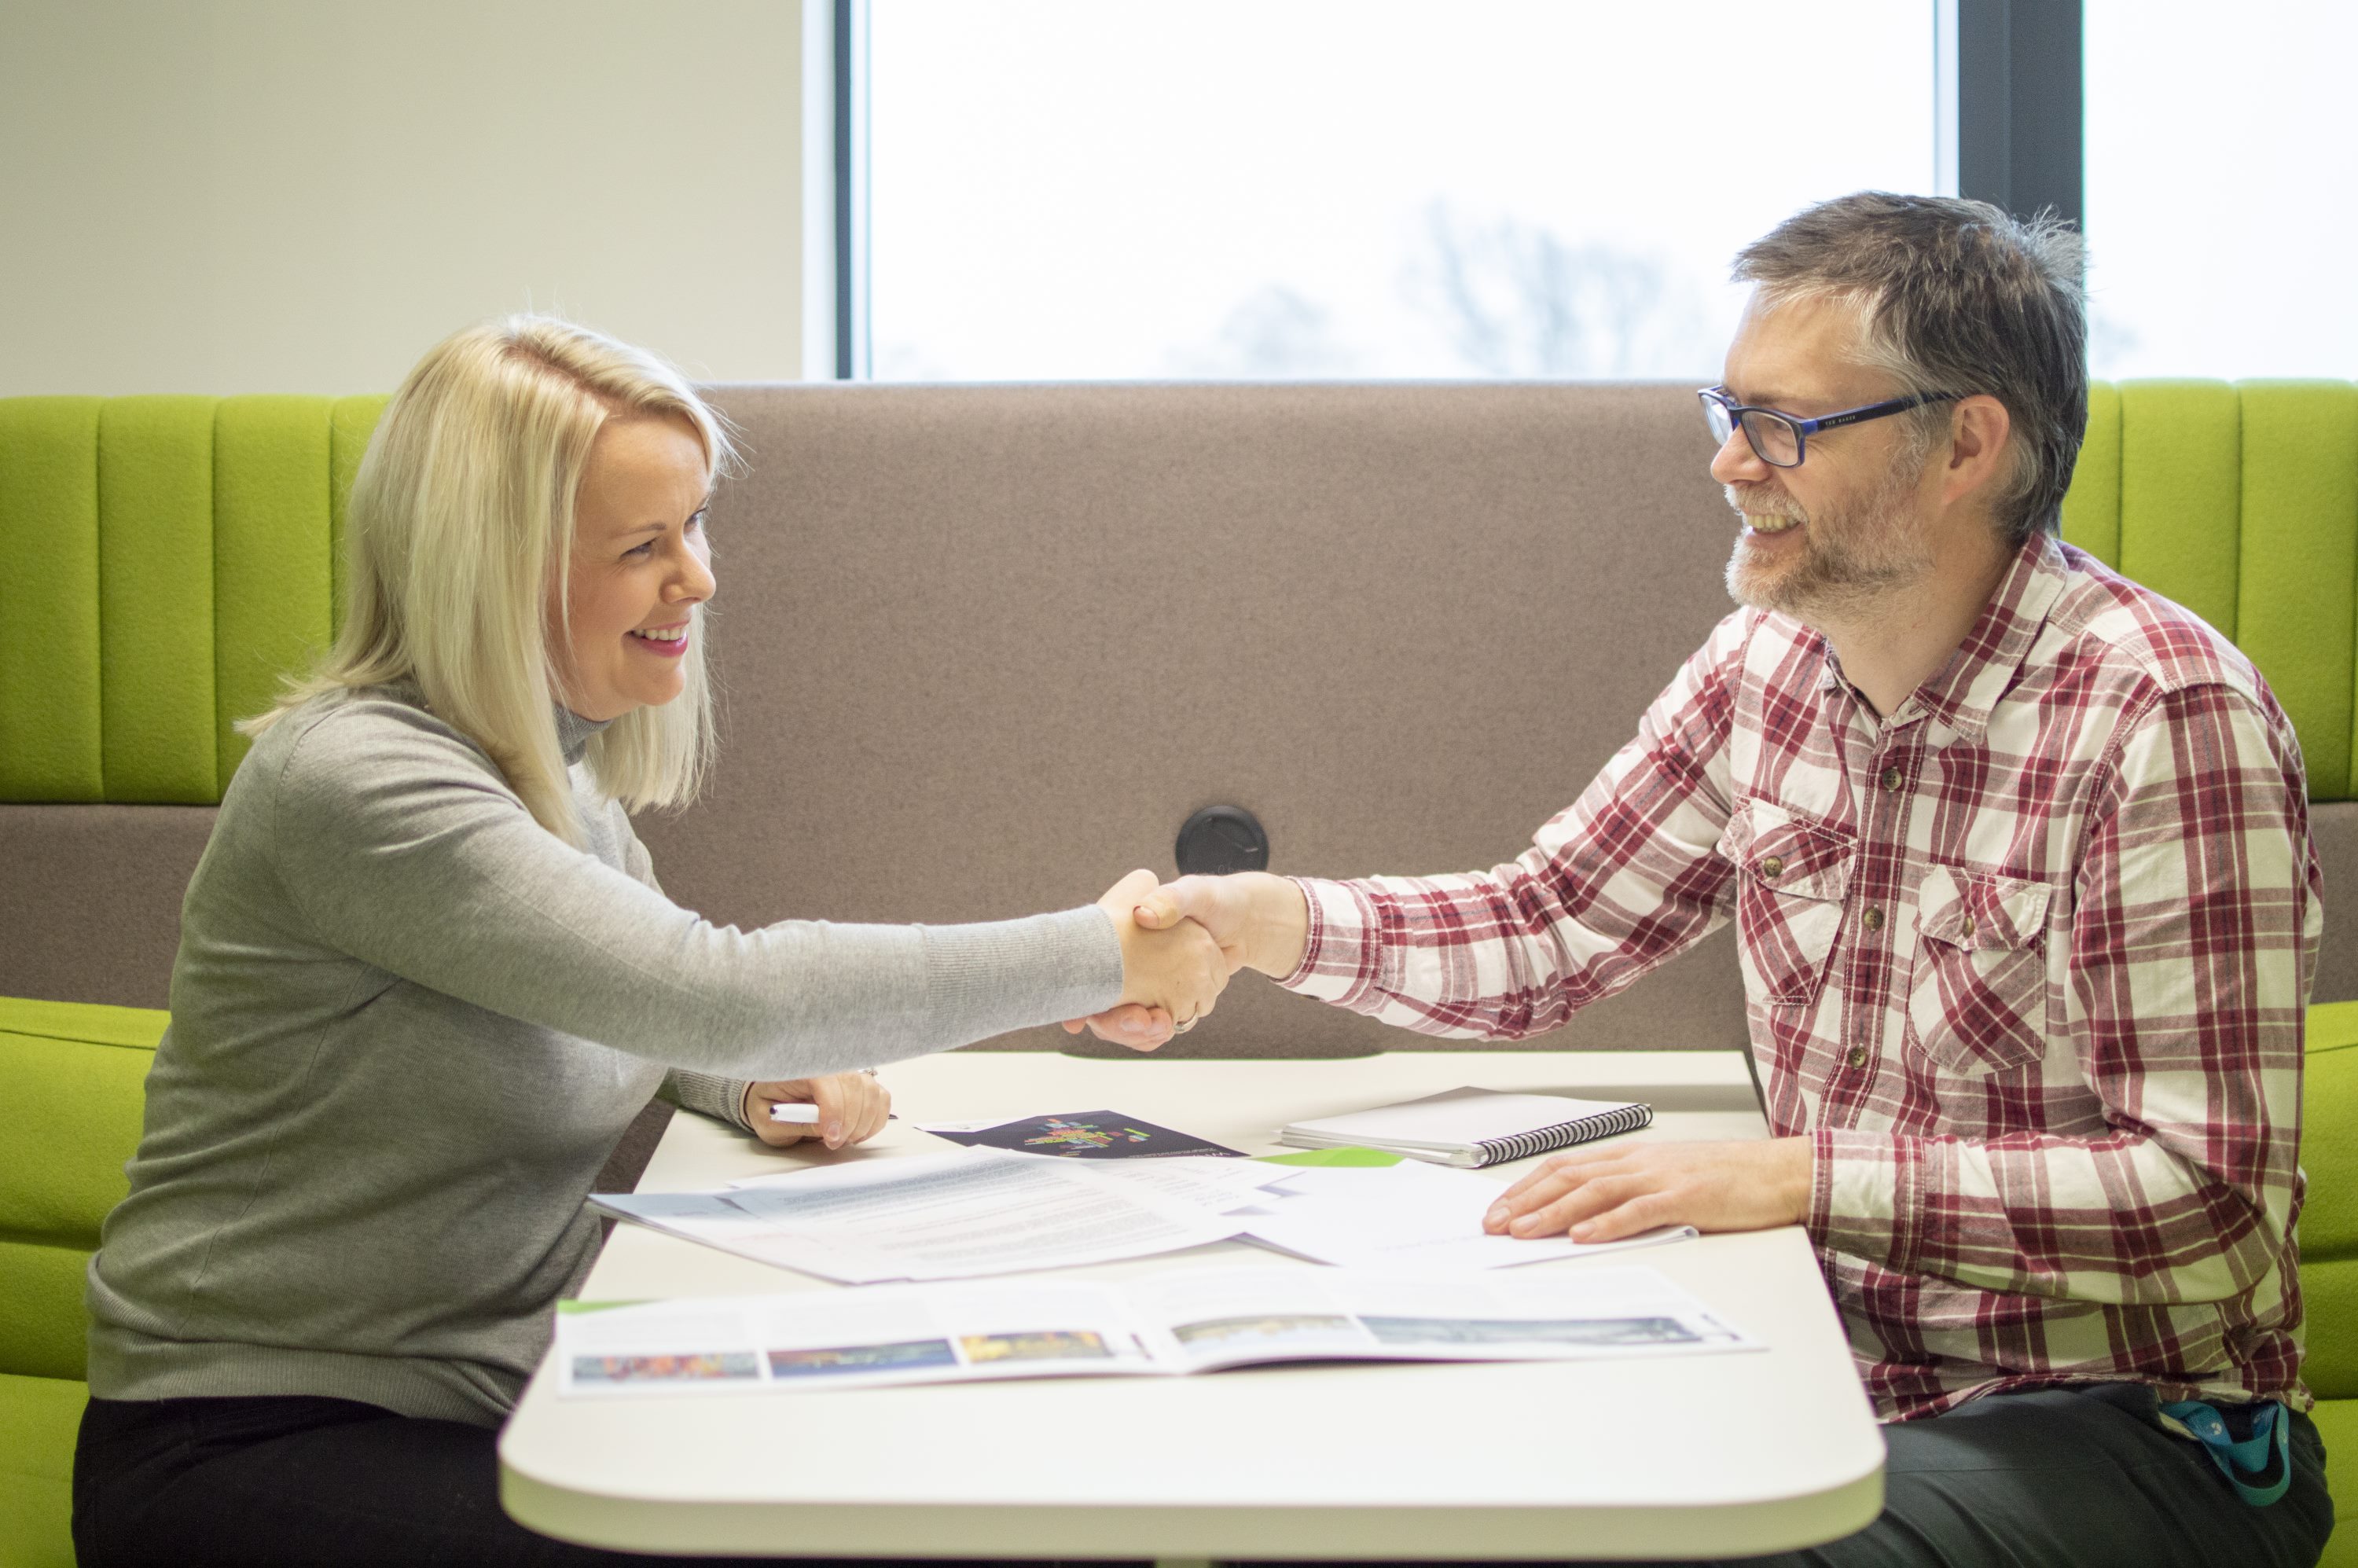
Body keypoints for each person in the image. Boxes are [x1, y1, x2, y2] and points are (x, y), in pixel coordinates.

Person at [1078, 193, 2334, 1565]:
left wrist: (1793, 1178)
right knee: (1399, 1487)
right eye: (1723, 412)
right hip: (1812, 1366)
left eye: (1785, 425)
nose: (1732, 465)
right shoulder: (1769, 666)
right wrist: (1261, 924)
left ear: (1966, 441)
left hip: (2127, 1425)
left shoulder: (2163, 716)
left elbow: (2205, 1211)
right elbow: (1550, 924)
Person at [72, 316, 1229, 1568]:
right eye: (644, 546)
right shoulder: (364, 787)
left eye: (695, 526)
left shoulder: (554, 779)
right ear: (491, 567)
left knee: (973, 1496)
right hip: (252, 1443)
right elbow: (707, 990)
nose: (700, 578)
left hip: (494, 1389)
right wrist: (1103, 950)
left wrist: (748, 1080)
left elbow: (648, 1010)